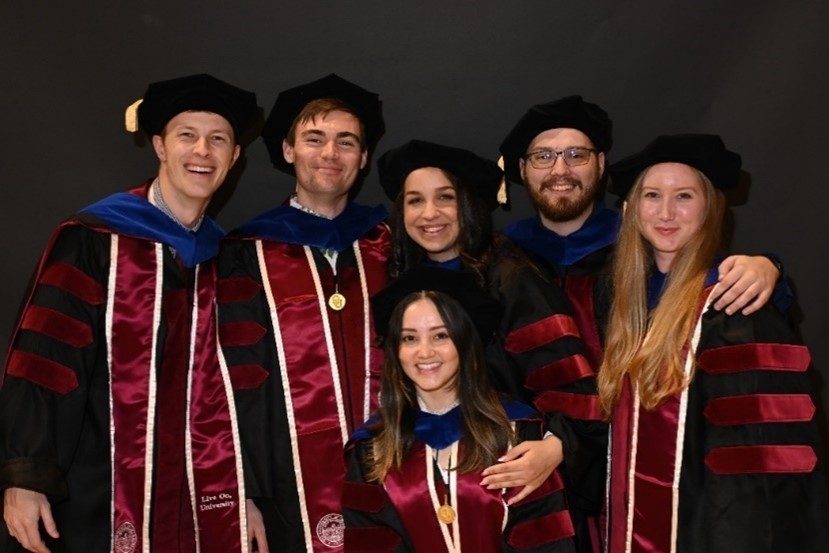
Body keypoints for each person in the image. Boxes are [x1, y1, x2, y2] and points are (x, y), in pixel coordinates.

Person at [0, 74, 260, 552]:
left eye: (218, 139)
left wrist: (248, 493)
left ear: (234, 157)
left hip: (195, 498)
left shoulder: (229, 261)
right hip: (92, 490)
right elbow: (43, 365)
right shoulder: (94, 240)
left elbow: (241, 392)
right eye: (187, 135)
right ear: (160, 145)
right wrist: (26, 475)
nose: (202, 151)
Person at [597, 134, 829, 552]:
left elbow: (758, 469)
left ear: (709, 208)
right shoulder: (627, 307)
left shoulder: (734, 307)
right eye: (652, 195)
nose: (666, 212)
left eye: (683, 196)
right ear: (632, 211)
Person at [377, 139, 604, 549]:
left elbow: (571, 386)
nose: (429, 214)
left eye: (445, 198)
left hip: (509, 482)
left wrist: (555, 449)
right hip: (432, 482)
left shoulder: (512, 279)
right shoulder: (402, 282)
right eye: (414, 201)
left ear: (469, 205)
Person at [217, 74, 390, 553]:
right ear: (289, 150)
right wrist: (242, 492)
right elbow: (228, 386)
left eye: (346, 142)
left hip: (397, 476)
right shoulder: (243, 254)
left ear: (364, 157)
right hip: (281, 487)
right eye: (315, 139)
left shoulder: (392, 247)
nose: (330, 153)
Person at [499, 95, 782, 369]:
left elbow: (705, 280)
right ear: (523, 168)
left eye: (576, 155)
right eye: (543, 156)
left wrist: (768, 268)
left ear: (600, 164)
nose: (560, 170)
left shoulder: (645, 241)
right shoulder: (502, 254)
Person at [343, 274, 577, 552]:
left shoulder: (519, 433)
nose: (424, 351)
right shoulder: (371, 447)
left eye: (441, 335)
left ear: (464, 343)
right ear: (396, 349)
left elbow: (546, 542)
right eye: (409, 338)